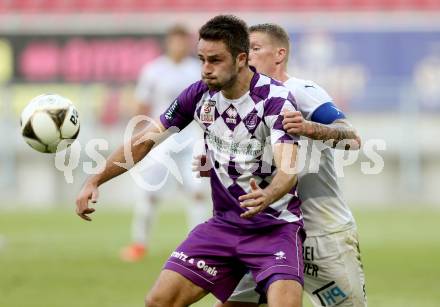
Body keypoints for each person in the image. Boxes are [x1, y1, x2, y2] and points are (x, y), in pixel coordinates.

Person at [76, 15, 304, 306]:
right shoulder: (199, 94)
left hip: (274, 229)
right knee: (158, 301)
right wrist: (95, 179)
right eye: (202, 59)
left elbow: (289, 168)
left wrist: (268, 195)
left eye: (215, 60)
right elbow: (145, 139)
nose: (206, 69)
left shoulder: (275, 99)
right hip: (224, 227)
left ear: (241, 59)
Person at [205, 23, 366, 306]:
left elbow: (352, 139)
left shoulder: (301, 91)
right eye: (246, 49)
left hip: (320, 233)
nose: (248, 55)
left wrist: (309, 127)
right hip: (271, 232)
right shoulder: (246, 100)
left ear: (279, 54)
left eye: (255, 48)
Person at [120, 24, 209, 262]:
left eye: (183, 41)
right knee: (149, 193)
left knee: (198, 194)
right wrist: (139, 136)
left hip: (192, 139)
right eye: (175, 40)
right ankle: (139, 244)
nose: (179, 45)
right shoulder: (154, 70)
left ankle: (197, 248)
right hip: (161, 140)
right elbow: (142, 105)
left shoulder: (197, 70)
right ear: (169, 42)